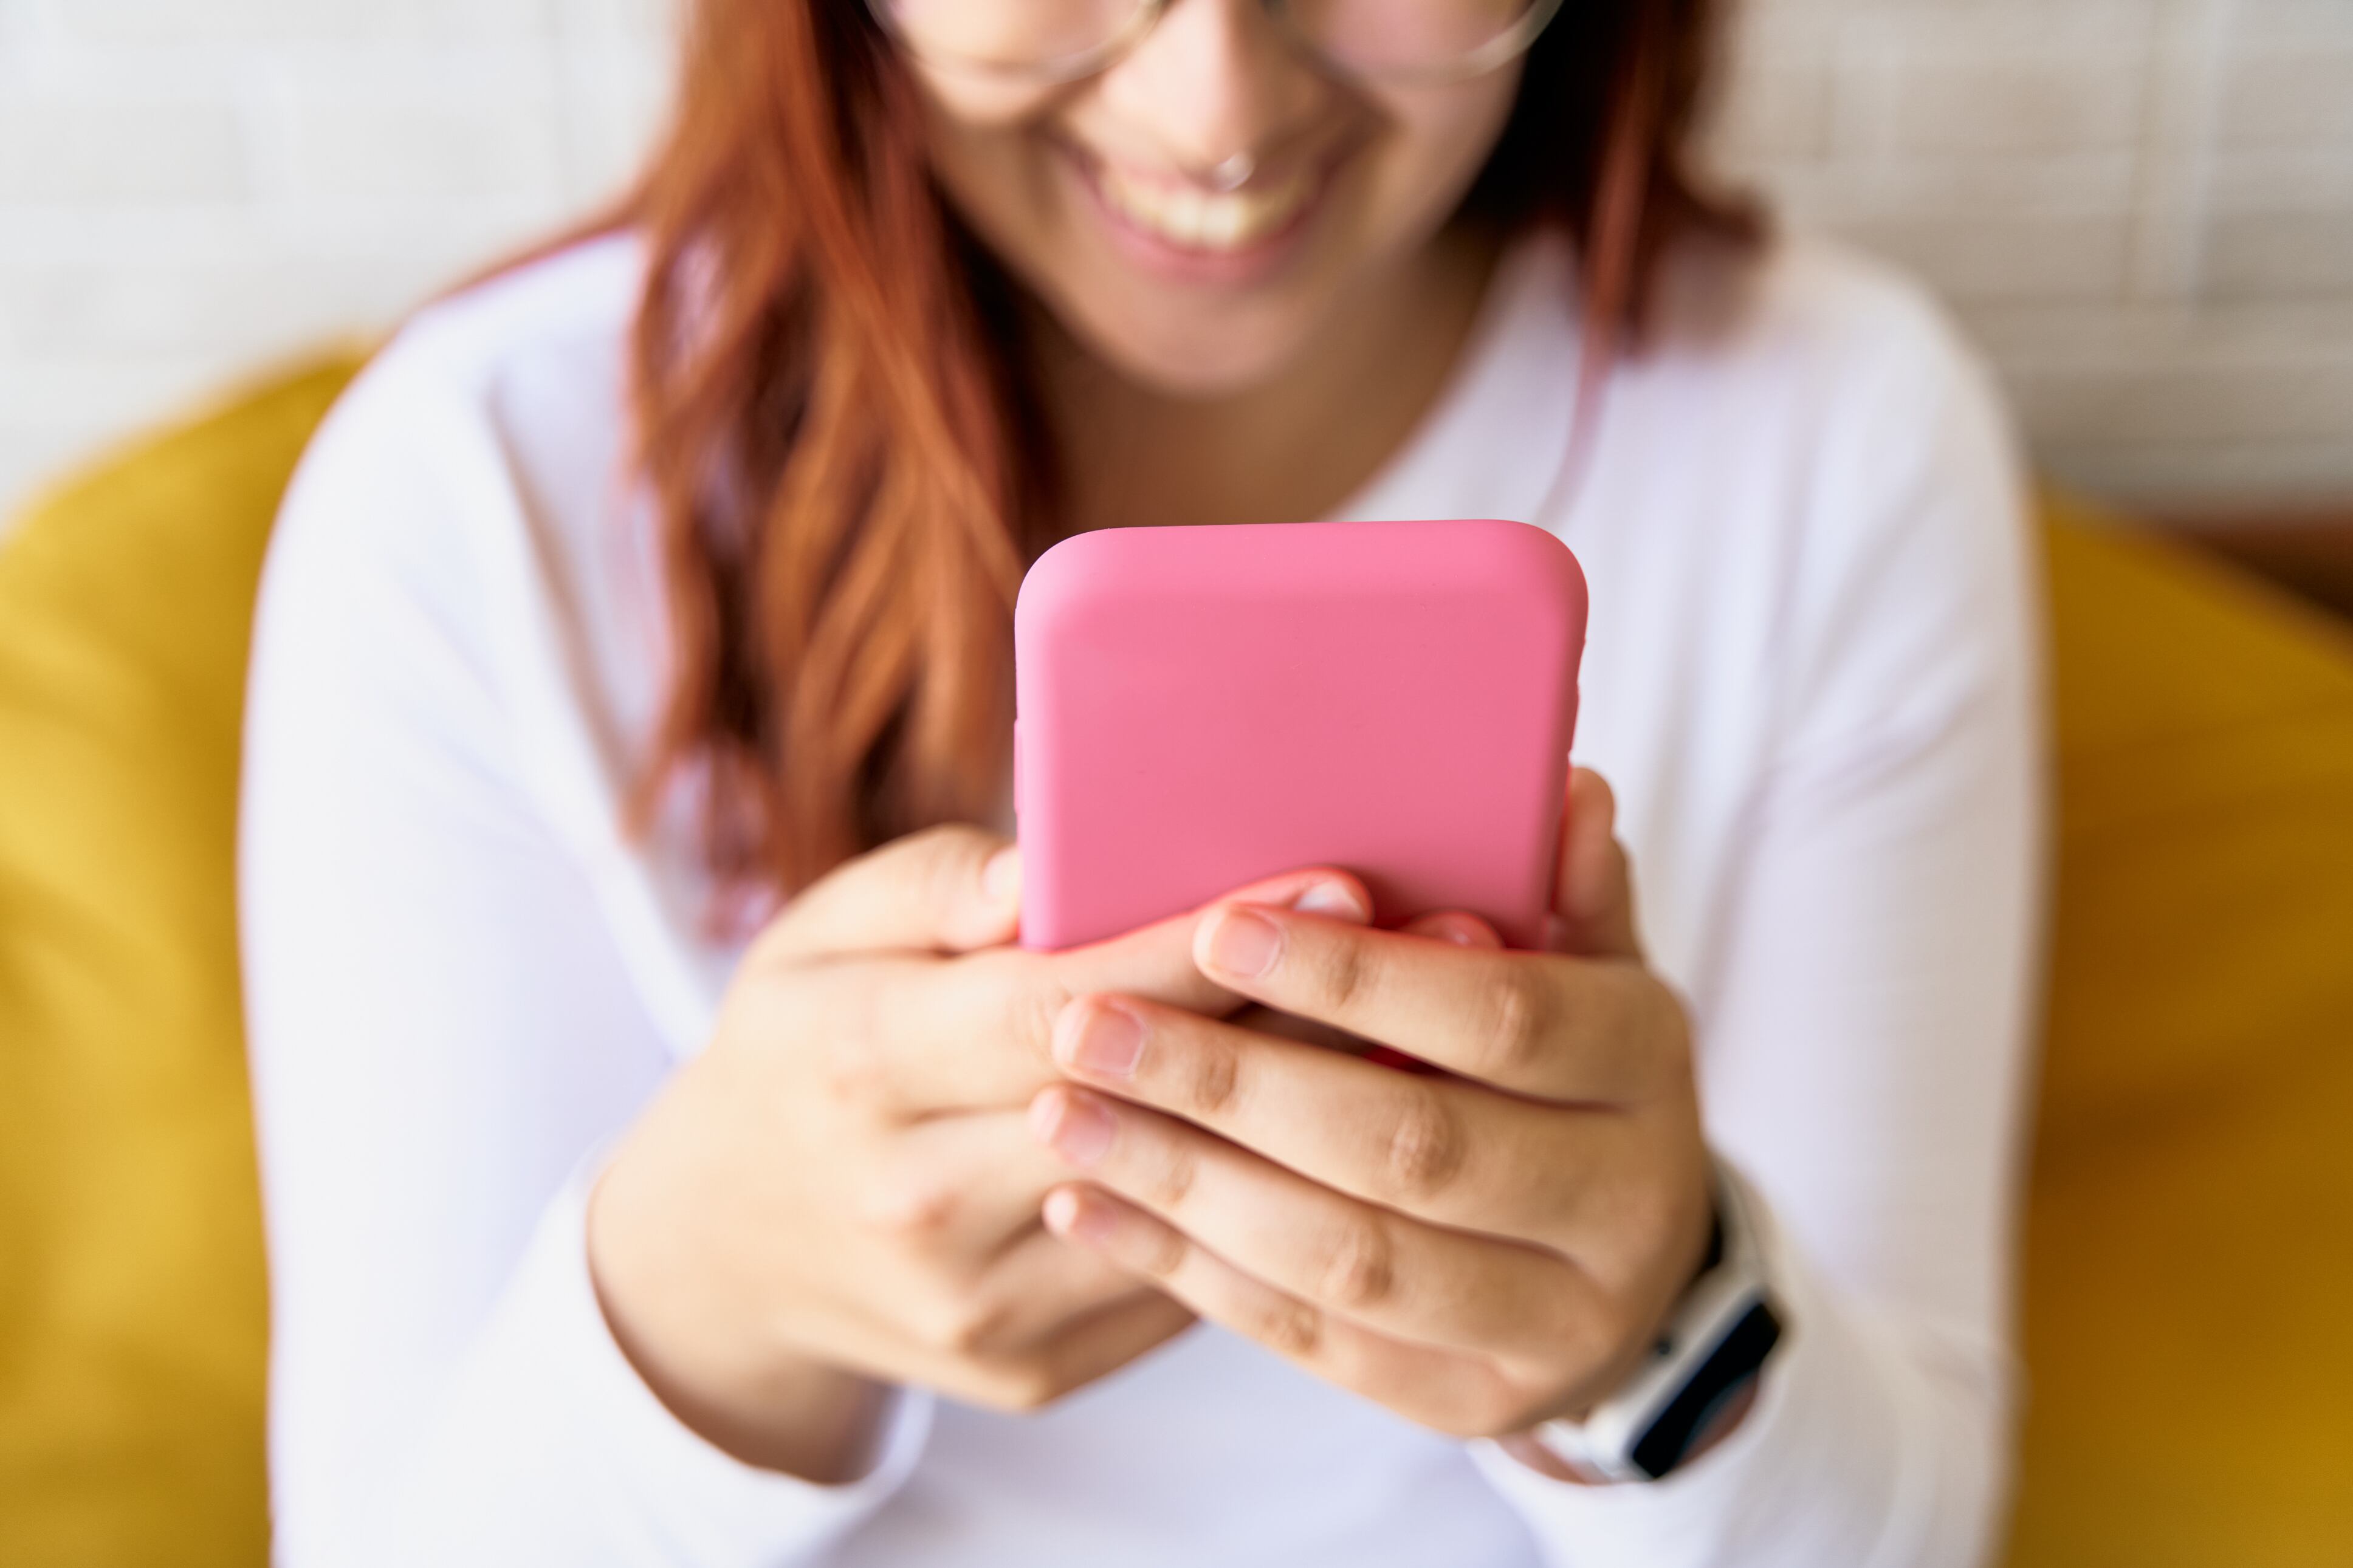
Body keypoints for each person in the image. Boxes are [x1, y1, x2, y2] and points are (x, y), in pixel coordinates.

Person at [239, 0, 2042, 1563]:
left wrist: (1659, 1321)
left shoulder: (1840, 441)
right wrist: (709, 1291)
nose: (1216, 110)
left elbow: (1907, 1540)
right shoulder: (478, 496)